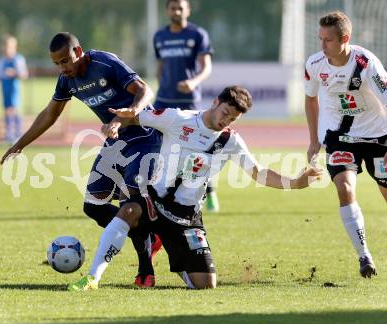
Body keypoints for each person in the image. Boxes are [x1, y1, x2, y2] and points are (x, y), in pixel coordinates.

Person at [68, 85, 322, 290]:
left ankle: (174, 254)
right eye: (225, 113)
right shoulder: (178, 118)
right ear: (215, 103)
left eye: (233, 118)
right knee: (128, 211)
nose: (226, 121)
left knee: (205, 285)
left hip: (186, 217)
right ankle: (93, 278)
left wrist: (297, 182)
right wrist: (115, 124)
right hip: (154, 202)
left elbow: (259, 173)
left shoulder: (230, 141)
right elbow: (134, 116)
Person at [0, 32, 162, 288]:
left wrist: (128, 113)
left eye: (66, 60)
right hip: (115, 142)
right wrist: (20, 144)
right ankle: (148, 235)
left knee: (131, 202)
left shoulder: (105, 63)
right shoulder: (67, 80)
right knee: (94, 207)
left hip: (144, 137)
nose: (63, 68)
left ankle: (145, 270)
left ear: (79, 51)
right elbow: (50, 114)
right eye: (57, 63)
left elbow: (144, 89)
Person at [304, 11, 387, 278]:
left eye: (328, 40)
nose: (322, 46)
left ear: (345, 39)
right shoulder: (315, 63)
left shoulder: (366, 63)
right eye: (320, 39)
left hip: (377, 136)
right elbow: (310, 99)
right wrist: (313, 139)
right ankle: (364, 256)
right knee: (345, 187)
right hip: (340, 137)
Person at [153, 0, 219, 212]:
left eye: (181, 7)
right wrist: (162, 85)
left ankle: (209, 193)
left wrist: (193, 82)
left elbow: (206, 67)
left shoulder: (198, 35)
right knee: (155, 146)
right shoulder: (159, 36)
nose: (177, 11)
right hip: (163, 101)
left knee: (198, 149)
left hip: (189, 101)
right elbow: (160, 67)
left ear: (188, 10)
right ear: (167, 11)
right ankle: (155, 193)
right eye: (173, 7)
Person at [0, 35, 29, 144]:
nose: (7, 49)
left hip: (14, 88)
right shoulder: (1, 60)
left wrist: (14, 73)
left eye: (10, 47)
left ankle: (18, 135)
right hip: (4, 88)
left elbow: (24, 74)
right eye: (6, 47)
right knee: (7, 110)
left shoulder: (18, 59)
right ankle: (9, 135)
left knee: (14, 109)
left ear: (15, 47)